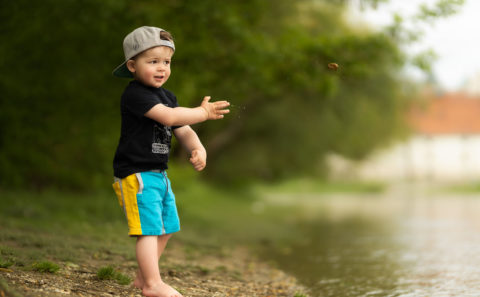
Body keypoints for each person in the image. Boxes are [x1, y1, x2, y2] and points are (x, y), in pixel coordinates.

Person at [111, 26, 229, 297]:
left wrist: (199, 148)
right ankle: (153, 284)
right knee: (149, 230)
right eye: (153, 61)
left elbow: (183, 128)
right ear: (132, 65)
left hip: (159, 174)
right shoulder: (135, 95)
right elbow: (170, 118)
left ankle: (143, 279)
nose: (161, 68)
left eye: (166, 62)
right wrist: (202, 112)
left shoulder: (168, 96)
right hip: (136, 173)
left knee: (166, 227)